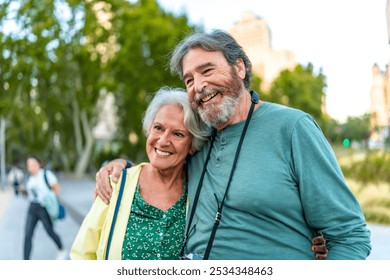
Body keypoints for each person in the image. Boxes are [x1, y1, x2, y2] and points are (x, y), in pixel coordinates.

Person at [96, 29, 368, 260]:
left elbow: (350, 235)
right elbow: (163, 159)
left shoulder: (292, 127)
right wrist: (120, 167)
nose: (198, 85)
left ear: (239, 67)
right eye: (189, 80)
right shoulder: (199, 139)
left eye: (207, 70)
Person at [70, 87, 210, 260]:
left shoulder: (197, 193)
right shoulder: (116, 182)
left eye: (178, 134)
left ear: (192, 145)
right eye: (158, 128)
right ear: (148, 130)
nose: (163, 141)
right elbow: (82, 255)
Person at [24, 156, 67, 260]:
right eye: (29, 165)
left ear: (39, 164)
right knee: (27, 234)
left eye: (33, 164)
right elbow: (30, 194)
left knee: (49, 231)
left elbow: (57, 191)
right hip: (32, 207)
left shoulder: (46, 175)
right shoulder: (29, 178)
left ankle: (61, 248)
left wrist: (47, 199)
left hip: (44, 208)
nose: (31, 167)